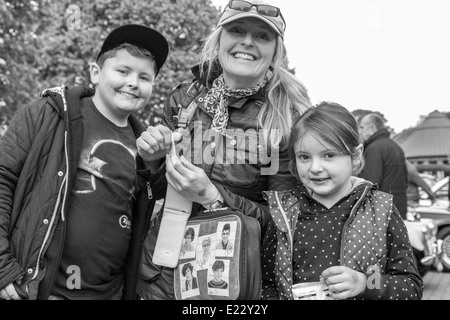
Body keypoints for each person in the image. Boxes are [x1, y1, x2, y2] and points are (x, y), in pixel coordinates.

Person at [129, 0, 311, 300]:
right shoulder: (183, 99)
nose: (248, 42)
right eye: (237, 30)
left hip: (230, 282)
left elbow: (286, 225)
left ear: (276, 52)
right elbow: (156, 191)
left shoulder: (286, 118)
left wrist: (213, 197)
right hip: (160, 274)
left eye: (262, 36)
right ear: (219, 39)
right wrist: (152, 161)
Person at [0, 24, 169, 300]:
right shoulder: (48, 114)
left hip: (107, 293)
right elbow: (2, 178)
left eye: (144, 77)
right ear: (95, 73)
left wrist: (153, 166)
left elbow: (148, 216)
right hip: (39, 287)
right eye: (123, 71)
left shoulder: (146, 146)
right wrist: (2, 266)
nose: (133, 83)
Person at [261, 102, 423, 300]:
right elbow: (267, 284)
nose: (315, 167)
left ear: (355, 156)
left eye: (328, 155)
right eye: (304, 157)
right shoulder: (284, 213)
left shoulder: (382, 210)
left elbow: (410, 286)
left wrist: (365, 283)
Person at [358, 113, 408, 219]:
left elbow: (370, 184)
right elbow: (405, 181)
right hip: (398, 209)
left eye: (362, 127)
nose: (360, 132)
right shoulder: (396, 147)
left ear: (371, 128)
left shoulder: (374, 149)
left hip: (381, 213)